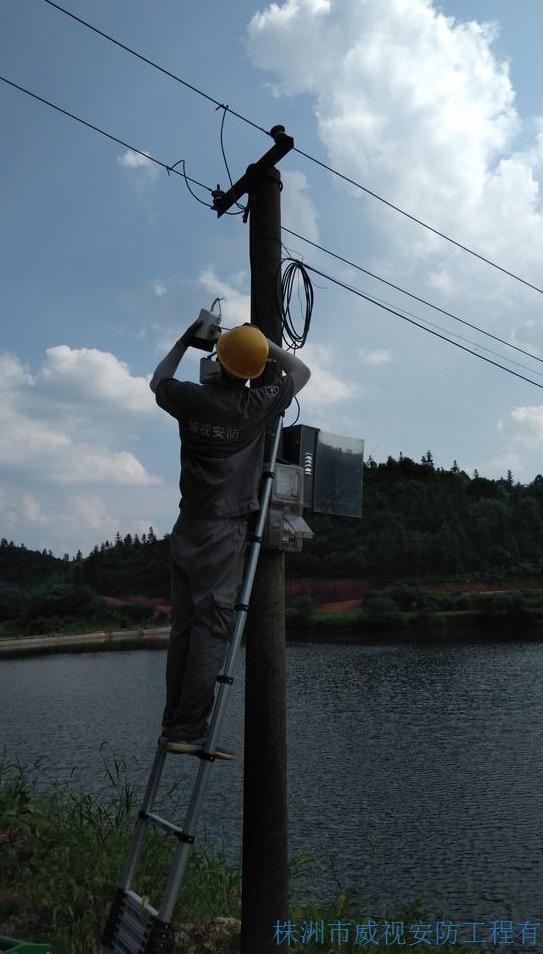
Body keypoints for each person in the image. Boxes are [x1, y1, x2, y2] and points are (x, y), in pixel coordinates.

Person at [150, 319, 310, 760]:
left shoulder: (190, 399)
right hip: (224, 532)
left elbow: (159, 380)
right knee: (212, 630)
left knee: (184, 630)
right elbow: (301, 371)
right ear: (253, 370)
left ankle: (173, 723)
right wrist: (265, 344)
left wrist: (185, 340)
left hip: (187, 526)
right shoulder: (255, 404)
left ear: (217, 362)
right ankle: (188, 729)